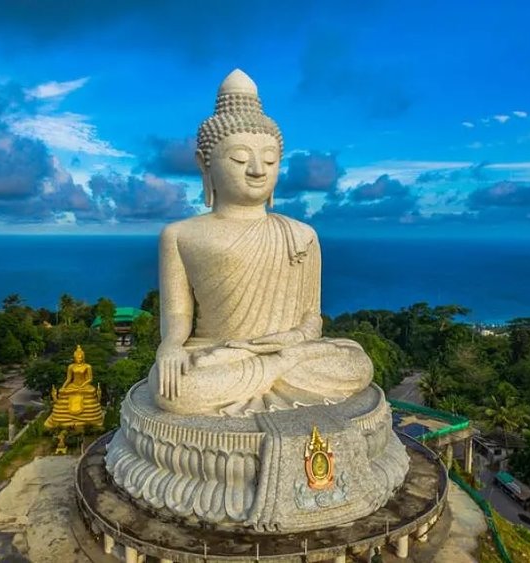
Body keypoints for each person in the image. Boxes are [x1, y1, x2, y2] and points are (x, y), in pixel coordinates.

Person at [149, 69, 373, 417]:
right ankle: (275, 373)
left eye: (269, 160)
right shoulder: (180, 235)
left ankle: (277, 368)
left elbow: (311, 318)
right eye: (239, 158)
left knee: (356, 363)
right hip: (217, 353)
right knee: (175, 388)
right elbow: (178, 315)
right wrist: (170, 347)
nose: (257, 170)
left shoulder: (301, 235)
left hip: (288, 351)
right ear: (203, 164)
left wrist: (292, 342)